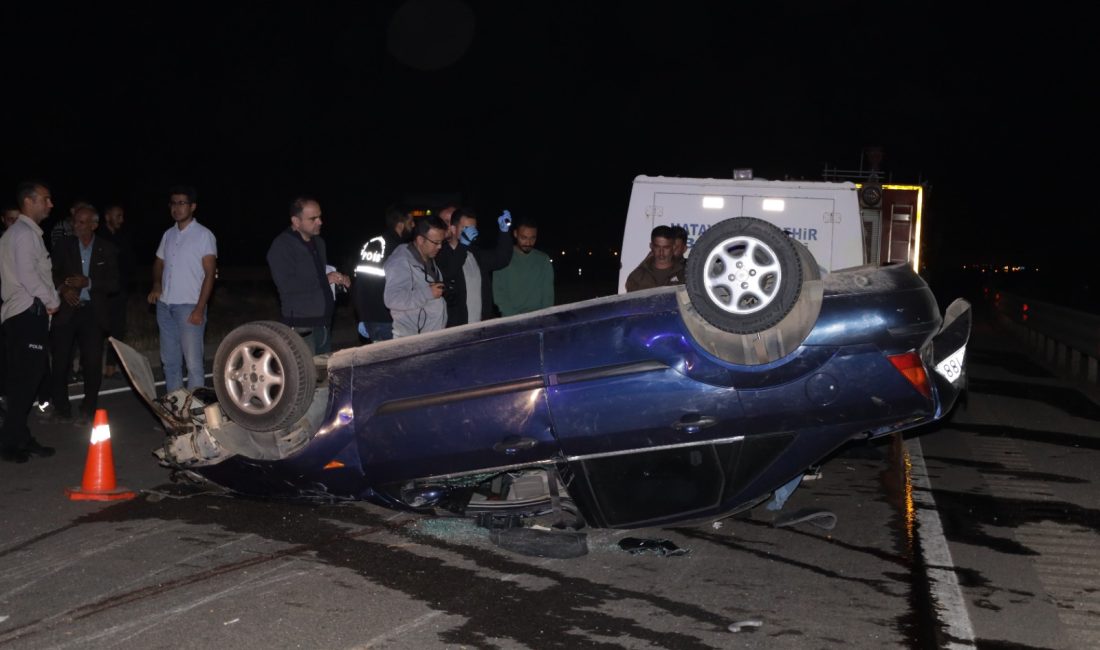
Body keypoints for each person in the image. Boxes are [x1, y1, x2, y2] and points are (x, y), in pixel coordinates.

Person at [0, 182, 61, 463]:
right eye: (45, 199)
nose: (50, 204)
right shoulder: (24, 234)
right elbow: (28, 275)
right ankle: (10, 442)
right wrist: (52, 300)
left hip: (21, 315)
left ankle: (20, 437)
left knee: (23, 380)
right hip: (27, 313)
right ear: (29, 201)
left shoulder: (21, 233)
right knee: (28, 380)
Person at [49, 205, 119, 425]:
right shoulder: (63, 245)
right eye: (75, 221)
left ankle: (88, 408)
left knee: (91, 363)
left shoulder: (106, 249)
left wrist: (89, 283)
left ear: (94, 225)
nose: (76, 226)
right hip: (66, 311)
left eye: (81, 222)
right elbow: (51, 272)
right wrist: (63, 288)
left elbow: (114, 283)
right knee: (60, 362)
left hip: (92, 313)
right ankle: (61, 408)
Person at [147, 186, 217, 393]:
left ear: (192, 206)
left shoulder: (204, 235)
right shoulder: (168, 235)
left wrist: (200, 308)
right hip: (165, 306)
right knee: (170, 363)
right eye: (173, 203)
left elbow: (210, 273)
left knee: (193, 364)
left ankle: (194, 414)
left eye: (182, 203)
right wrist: (157, 285)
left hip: (189, 306)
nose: (176, 208)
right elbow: (158, 263)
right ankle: (176, 412)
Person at [267, 196, 350, 354]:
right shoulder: (282, 246)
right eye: (313, 218)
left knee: (323, 376)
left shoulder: (319, 243)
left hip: (324, 322)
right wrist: (325, 279)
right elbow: (286, 285)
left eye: (320, 217)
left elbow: (318, 276)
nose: (320, 222)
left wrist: (338, 281)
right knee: (304, 376)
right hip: (301, 325)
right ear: (296, 221)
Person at [435, 207, 513, 327]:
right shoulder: (440, 253)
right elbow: (449, 272)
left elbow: (502, 259)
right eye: (465, 228)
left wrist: (505, 231)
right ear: (453, 229)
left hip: (480, 325)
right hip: (455, 328)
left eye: (472, 228)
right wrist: (463, 245)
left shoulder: (475, 253)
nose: (470, 232)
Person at [352, 205, 414, 343]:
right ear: (400, 224)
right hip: (391, 319)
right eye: (410, 222)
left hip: (372, 319)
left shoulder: (373, 243)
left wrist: (363, 316)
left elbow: (361, 284)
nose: (413, 225)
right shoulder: (401, 249)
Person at [383, 216, 448, 338]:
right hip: (410, 340)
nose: (440, 247)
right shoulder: (400, 261)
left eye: (441, 242)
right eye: (436, 242)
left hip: (429, 337)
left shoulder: (428, 258)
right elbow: (392, 299)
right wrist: (428, 293)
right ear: (420, 240)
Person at [97, 204, 136, 377]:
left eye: (122, 216)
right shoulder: (99, 237)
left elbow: (128, 263)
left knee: (117, 329)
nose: (121, 220)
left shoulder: (123, 237)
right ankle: (91, 367)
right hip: (101, 291)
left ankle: (111, 367)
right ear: (107, 217)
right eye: (118, 216)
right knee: (98, 328)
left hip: (120, 290)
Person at [492, 217, 554, 316]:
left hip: (539, 318)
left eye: (532, 238)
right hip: (511, 319)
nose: (528, 243)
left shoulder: (543, 260)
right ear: (515, 234)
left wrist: (545, 316)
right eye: (524, 238)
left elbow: (548, 295)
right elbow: (499, 295)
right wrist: (515, 319)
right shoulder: (503, 258)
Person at [625, 225, 685, 292]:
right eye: (657, 247)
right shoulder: (637, 277)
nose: (661, 252)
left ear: (673, 247)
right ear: (651, 246)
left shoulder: (685, 275)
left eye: (666, 248)